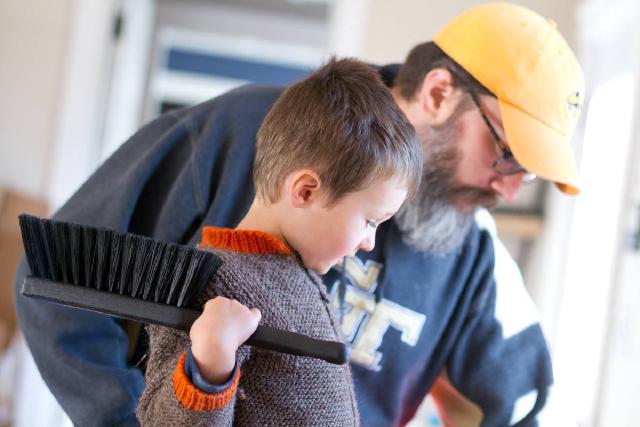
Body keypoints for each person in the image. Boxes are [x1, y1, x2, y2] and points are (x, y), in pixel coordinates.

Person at [14, 4, 584, 426]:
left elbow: (519, 411)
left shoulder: (473, 254)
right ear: (438, 94)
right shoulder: (242, 133)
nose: (510, 191)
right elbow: (57, 285)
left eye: (527, 174)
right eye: (507, 154)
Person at [135, 57, 422, 426]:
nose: (369, 242)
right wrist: (210, 362)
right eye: (369, 221)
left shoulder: (294, 272)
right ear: (304, 191)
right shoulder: (208, 283)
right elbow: (161, 421)